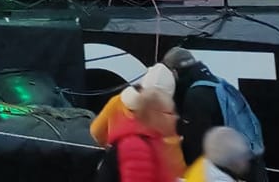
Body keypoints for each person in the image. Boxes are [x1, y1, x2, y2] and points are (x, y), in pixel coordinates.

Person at [163, 46, 260, 177]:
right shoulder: (217, 83)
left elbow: (196, 148)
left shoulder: (196, 96)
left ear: (174, 72)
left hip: (221, 172)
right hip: (245, 162)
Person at [91, 64, 184, 179]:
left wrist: (111, 147)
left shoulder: (118, 101)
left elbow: (96, 131)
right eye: (170, 113)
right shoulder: (146, 138)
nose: (175, 117)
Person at [106, 85, 181, 182]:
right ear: (155, 115)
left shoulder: (152, 139)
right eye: (170, 113)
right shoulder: (136, 146)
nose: (176, 118)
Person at [188, 127, 259, 182]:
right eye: (242, 157)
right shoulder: (220, 179)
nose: (246, 162)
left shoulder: (204, 162)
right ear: (232, 160)